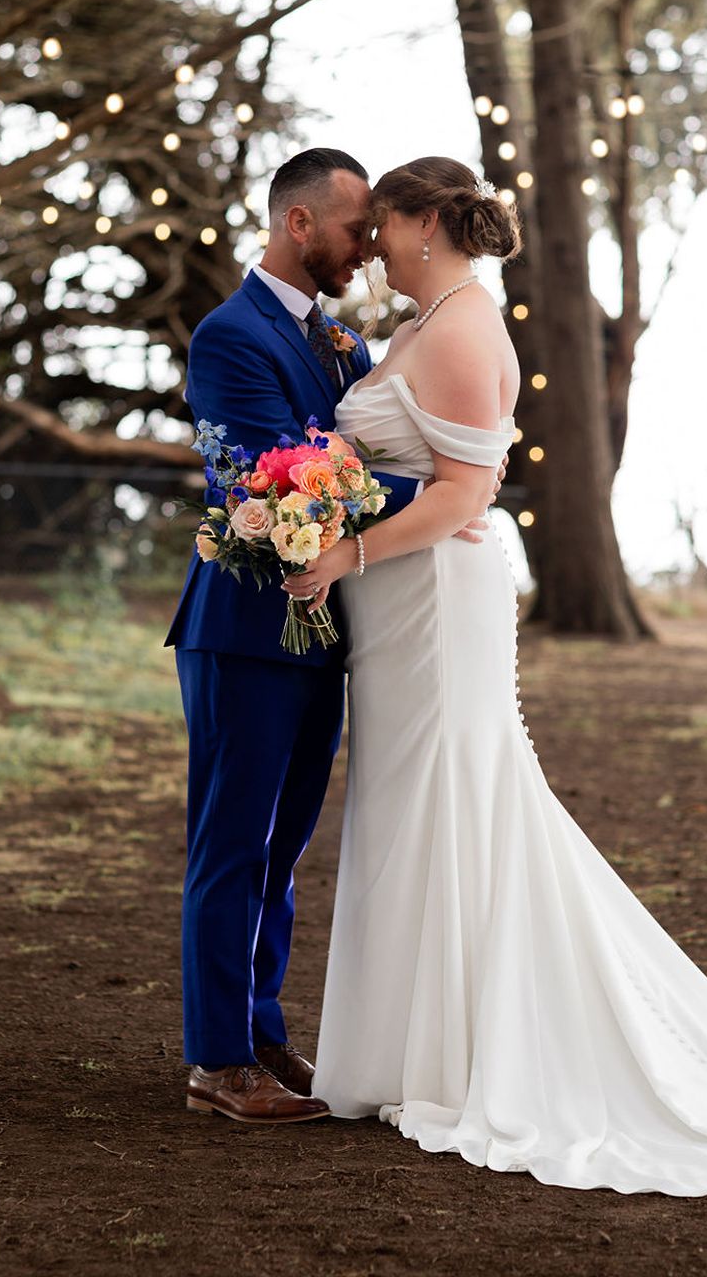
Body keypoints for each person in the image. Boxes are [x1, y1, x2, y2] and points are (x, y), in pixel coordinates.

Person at [285, 155, 707, 1195]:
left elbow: (465, 493)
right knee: (414, 809)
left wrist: (341, 553)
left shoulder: (457, 330)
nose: (370, 242)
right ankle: (413, 1049)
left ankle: (460, 1054)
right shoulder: (420, 321)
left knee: (454, 800)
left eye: (384, 224)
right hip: (401, 611)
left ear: (422, 225)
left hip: (435, 603)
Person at [165, 148, 499, 1125]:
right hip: (241, 626)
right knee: (231, 844)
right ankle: (217, 1063)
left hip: (323, 631)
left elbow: (351, 442)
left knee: (283, 848)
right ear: (299, 225)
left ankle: (261, 1028)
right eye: (355, 227)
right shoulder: (232, 335)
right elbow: (274, 475)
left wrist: (438, 487)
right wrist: (443, 495)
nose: (369, 245)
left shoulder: (344, 342)